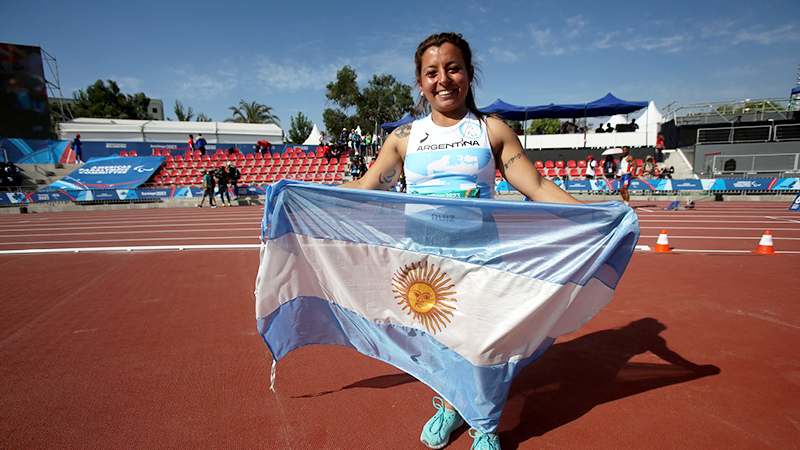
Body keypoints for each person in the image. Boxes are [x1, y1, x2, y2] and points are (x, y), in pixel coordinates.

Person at [338, 31, 581, 450]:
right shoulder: (404, 138)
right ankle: (451, 408)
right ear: (420, 83)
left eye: (453, 68)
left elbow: (537, 185)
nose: (443, 79)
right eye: (432, 72)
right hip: (425, 262)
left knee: (483, 342)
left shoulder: (492, 130)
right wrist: (304, 192)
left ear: (469, 74)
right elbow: (369, 186)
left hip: (480, 256)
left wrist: (593, 214)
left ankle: (484, 426)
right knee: (438, 342)